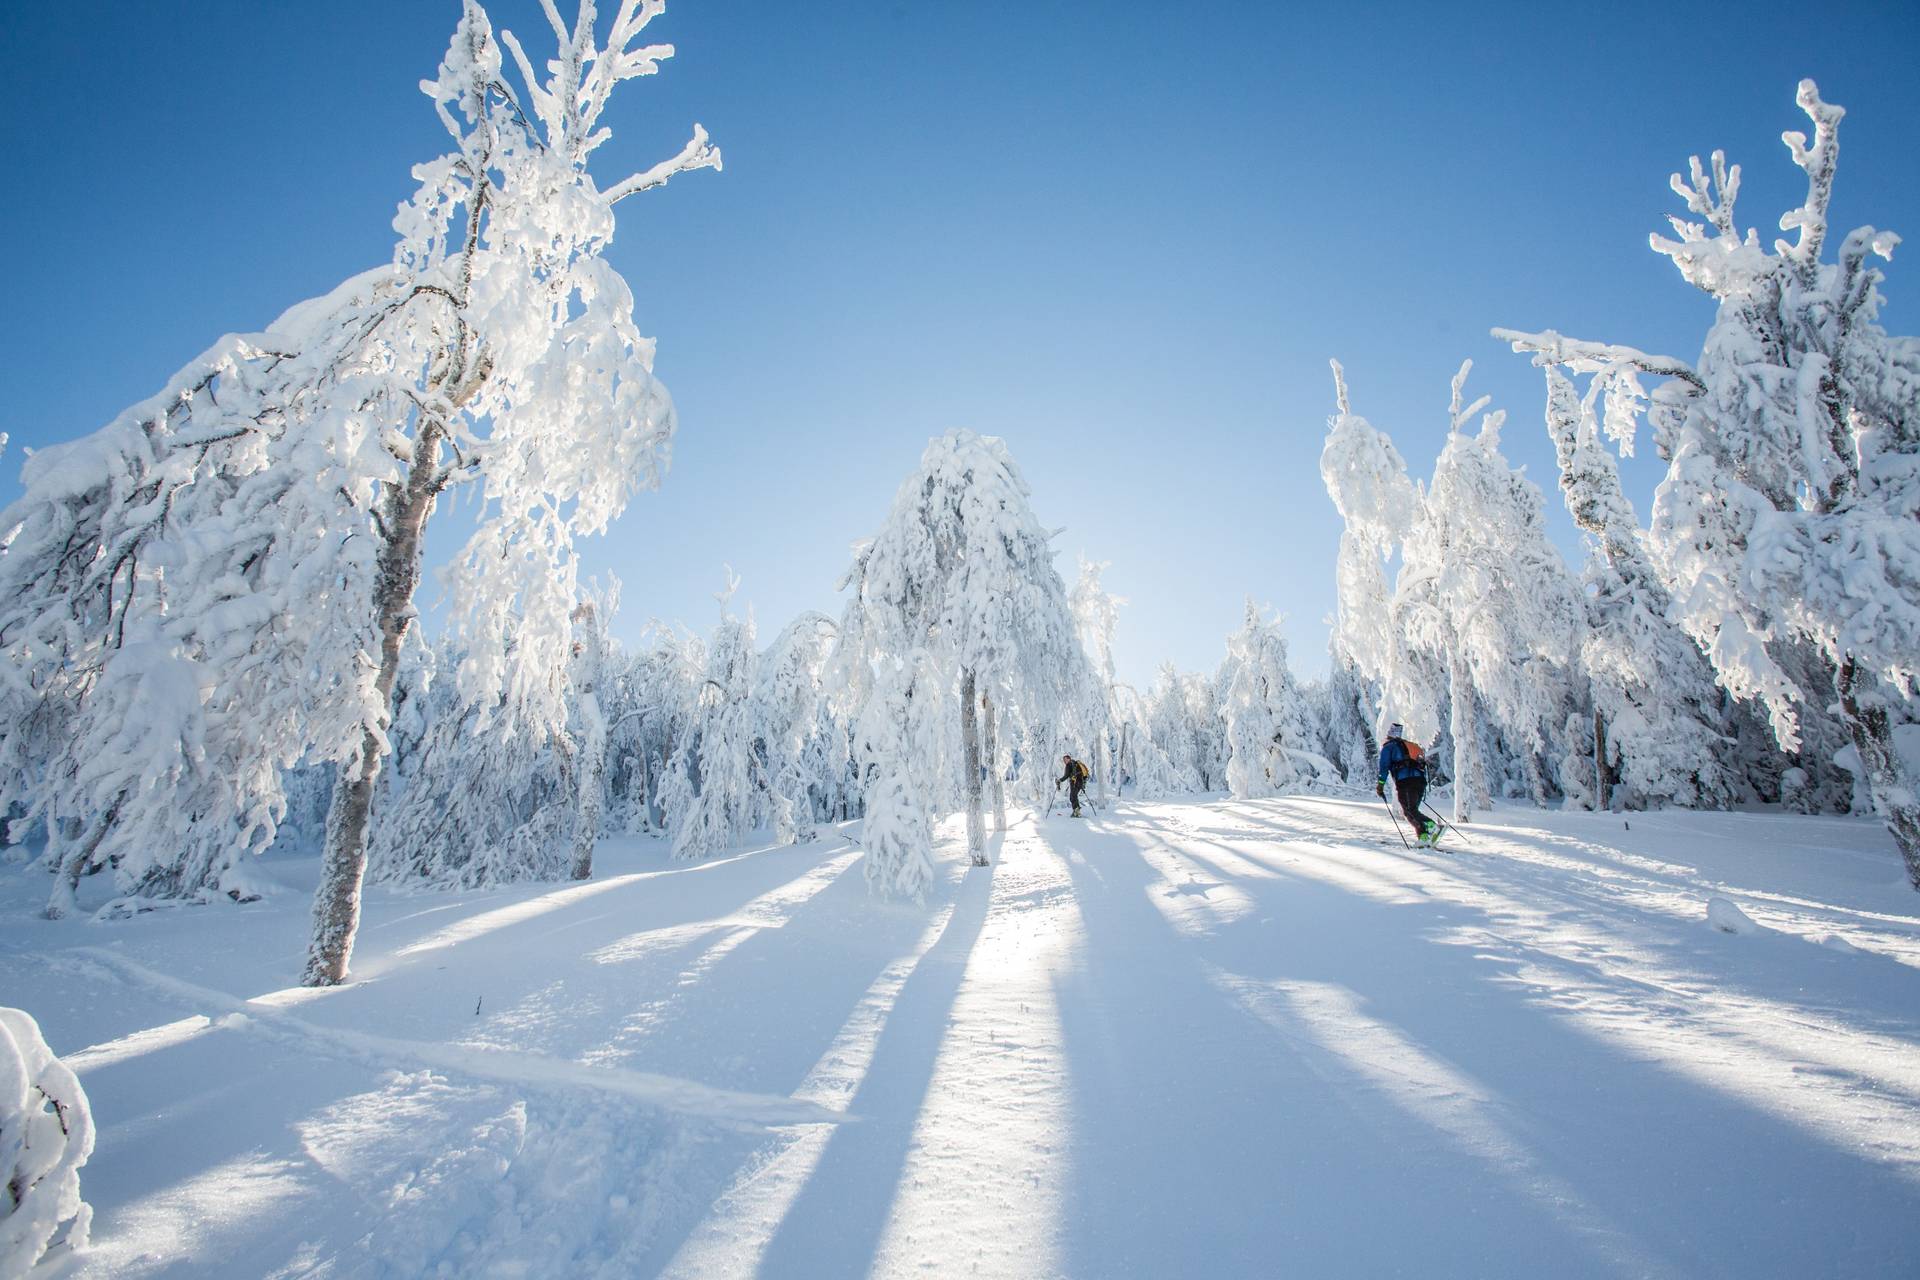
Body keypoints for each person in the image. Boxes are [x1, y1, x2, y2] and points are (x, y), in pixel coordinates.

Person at [1375, 723, 1439, 845]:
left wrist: (1380, 785)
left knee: (1409, 811)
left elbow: (1384, 767)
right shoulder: (1409, 746)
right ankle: (1423, 838)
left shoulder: (1388, 747)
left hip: (1405, 782)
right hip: (1420, 782)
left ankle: (1431, 826)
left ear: (1389, 735)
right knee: (1412, 811)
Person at [1057, 753, 1090, 817]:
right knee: (1074, 796)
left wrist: (1060, 780)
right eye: (1063, 760)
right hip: (1080, 782)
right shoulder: (1076, 763)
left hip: (1074, 782)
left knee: (1072, 797)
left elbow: (1066, 776)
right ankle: (1077, 811)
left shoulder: (1069, 765)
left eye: (1065, 759)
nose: (1064, 761)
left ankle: (1076, 812)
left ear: (1069, 759)